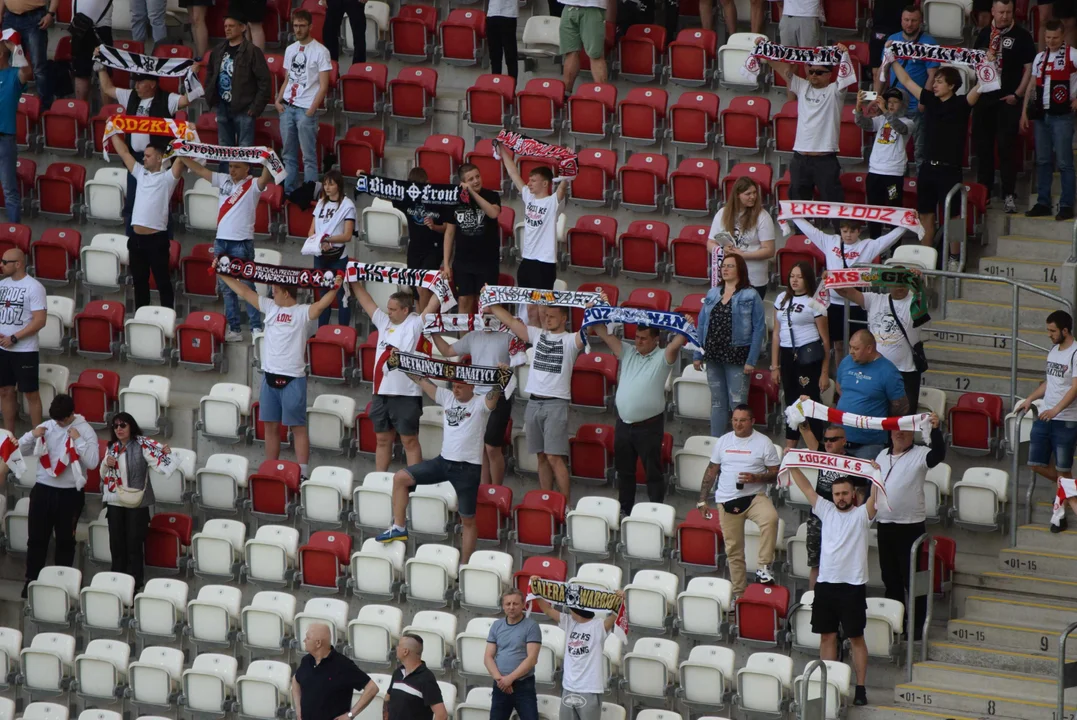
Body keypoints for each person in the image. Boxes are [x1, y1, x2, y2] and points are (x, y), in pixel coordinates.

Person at [218, 274, 343, 478]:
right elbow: (243, 291)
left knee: (297, 427)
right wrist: (223, 274)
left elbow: (320, 306)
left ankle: (303, 473)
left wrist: (335, 289)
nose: (271, 293)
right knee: (270, 425)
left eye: (275, 290)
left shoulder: (302, 312)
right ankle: (270, 469)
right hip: (269, 376)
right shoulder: (271, 307)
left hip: (293, 378)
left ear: (286, 292)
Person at [376, 374, 502, 561]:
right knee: (400, 478)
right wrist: (405, 365)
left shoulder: (480, 404)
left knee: (467, 520)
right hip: (443, 462)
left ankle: (464, 565)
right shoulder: (448, 397)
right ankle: (399, 527)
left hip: (467, 469)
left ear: (471, 387)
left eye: (460, 386)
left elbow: (493, 400)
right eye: (454, 386)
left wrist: (500, 382)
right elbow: (421, 381)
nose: (455, 390)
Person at [787, 468, 877, 707]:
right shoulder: (826, 509)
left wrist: (876, 474)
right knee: (827, 637)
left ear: (853, 495)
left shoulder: (861, 515)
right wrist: (791, 463)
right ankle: (827, 685)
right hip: (826, 585)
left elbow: (875, 498)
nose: (840, 498)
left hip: (853, 586)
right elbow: (806, 487)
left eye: (845, 493)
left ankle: (860, 688)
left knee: (856, 638)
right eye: (837, 494)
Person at [889, 61, 987, 269]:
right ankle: (926, 257)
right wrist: (892, 59)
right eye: (935, 81)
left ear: (952, 86)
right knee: (925, 213)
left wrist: (989, 65)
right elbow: (906, 80)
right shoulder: (930, 100)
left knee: (955, 217)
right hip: (927, 167)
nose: (934, 85)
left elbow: (981, 85)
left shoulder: (962, 103)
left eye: (940, 82)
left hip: (950, 170)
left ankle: (955, 258)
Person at [490, 302, 585, 500]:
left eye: (552, 316)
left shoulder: (570, 340)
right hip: (533, 402)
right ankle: (547, 500)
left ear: (564, 318)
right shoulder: (537, 334)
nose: (546, 319)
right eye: (545, 315)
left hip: (555, 404)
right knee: (541, 456)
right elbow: (510, 321)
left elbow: (588, 328)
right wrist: (491, 303)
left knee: (554, 457)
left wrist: (592, 307)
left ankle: (565, 505)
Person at [594, 318, 686, 517]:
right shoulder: (628, 352)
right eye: (636, 337)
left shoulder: (663, 356)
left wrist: (684, 324)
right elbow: (603, 333)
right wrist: (593, 311)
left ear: (656, 340)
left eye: (644, 338)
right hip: (624, 424)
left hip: (649, 426)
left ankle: (657, 512)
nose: (638, 341)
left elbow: (678, 341)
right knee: (624, 472)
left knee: (653, 472)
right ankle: (625, 511)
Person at [19, 394, 99, 598]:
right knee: (36, 539)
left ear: (72, 414)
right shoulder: (49, 425)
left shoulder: (85, 430)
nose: (59, 423)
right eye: (56, 419)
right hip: (43, 489)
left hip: (70, 494)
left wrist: (78, 440)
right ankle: (32, 581)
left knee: (65, 541)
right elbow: (19, 450)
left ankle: (61, 585)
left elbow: (92, 463)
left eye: (62, 419)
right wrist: (32, 435)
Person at [181, 157, 270, 341]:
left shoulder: (253, 184)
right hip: (221, 241)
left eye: (237, 167)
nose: (232, 170)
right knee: (227, 288)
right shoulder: (223, 179)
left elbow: (265, 178)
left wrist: (268, 160)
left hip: (242, 242)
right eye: (230, 166)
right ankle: (235, 329)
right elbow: (199, 170)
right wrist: (182, 155)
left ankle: (255, 328)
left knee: (247, 286)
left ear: (247, 168)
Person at [351, 285, 438, 472]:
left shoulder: (415, 324)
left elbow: (433, 304)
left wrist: (440, 285)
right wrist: (353, 281)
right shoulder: (384, 322)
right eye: (388, 309)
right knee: (382, 440)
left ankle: (415, 484)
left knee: (410, 441)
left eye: (392, 309)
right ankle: (379, 481)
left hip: (406, 394)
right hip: (381, 393)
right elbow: (365, 300)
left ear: (405, 310)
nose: (388, 312)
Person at [874, 414, 945, 640]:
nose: (900, 433)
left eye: (905, 430)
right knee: (890, 578)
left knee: (911, 579)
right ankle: (896, 623)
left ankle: (916, 627)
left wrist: (934, 430)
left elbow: (939, 455)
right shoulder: (881, 455)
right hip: (884, 525)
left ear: (912, 432)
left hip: (909, 527)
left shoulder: (921, 453)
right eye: (896, 429)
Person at [97, 67, 193, 235]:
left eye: (140, 82)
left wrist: (192, 75)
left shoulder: (167, 98)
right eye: (136, 82)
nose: (136, 85)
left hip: (160, 160)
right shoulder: (130, 96)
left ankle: (164, 243)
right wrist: (100, 67)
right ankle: (132, 242)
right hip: (135, 158)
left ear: (153, 84)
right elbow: (107, 89)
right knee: (132, 203)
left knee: (161, 206)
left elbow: (186, 100)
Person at [793, 217, 905, 359]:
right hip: (834, 303)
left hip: (856, 302)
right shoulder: (830, 241)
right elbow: (810, 231)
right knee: (838, 345)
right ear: (840, 230)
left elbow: (889, 239)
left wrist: (906, 225)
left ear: (859, 231)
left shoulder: (867, 246)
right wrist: (792, 215)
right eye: (845, 231)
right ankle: (840, 377)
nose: (848, 235)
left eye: (852, 231)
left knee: (858, 346)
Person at [698, 404, 781, 593]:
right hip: (726, 499)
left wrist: (757, 478)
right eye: (735, 420)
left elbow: (776, 475)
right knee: (733, 550)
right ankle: (739, 595)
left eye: (743, 420)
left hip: (754, 496)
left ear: (752, 421)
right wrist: (702, 499)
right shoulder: (724, 441)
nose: (738, 424)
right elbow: (712, 470)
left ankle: (763, 566)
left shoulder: (764, 442)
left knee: (771, 518)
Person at [760, 39, 855, 204]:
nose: (813, 75)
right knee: (797, 204)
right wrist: (763, 49)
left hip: (825, 159)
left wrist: (844, 54)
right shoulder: (802, 86)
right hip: (800, 158)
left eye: (819, 72)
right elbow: (781, 69)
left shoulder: (836, 90)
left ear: (829, 74)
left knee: (833, 203)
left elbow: (845, 74)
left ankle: (838, 231)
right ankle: (799, 231)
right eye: (811, 71)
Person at [973, 0, 1036, 214]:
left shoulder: (1023, 36)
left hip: (1008, 101)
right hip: (984, 100)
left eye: (1008, 12)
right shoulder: (983, 34)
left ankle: (1009, 194)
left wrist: (1018, 95)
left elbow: (1029, 69)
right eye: (1001, 12)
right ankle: (985, 193)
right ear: (992, 11)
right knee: (983, 149)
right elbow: (974, 65)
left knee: (1006, 148)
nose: (1005, 16)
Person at [692, 253, 766, 438]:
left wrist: (751, 359)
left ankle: (740, 444)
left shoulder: (751, 294)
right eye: (723, 266)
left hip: (737, 355)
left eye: (730, 266)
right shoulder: (712, 293)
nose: (725, 269)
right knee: (717, 402)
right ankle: (717, 444)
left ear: (740, 269)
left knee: (738, 403)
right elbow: (701, 324)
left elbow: (759, 329)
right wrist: (697, 353)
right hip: (713, 354)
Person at [429, 327, 514, 486]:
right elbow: (447, 350)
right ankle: (482, 488)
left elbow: (520, 358)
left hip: (499, 394)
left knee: (492, 447)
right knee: (480, 446)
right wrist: (433, 332)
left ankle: (496, 490)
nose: (487, 316)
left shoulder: (508, 336)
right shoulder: (473, 336)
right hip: (476, 396)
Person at [1016, 310, 1077, 531]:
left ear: (1065, 330)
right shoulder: (1053, 350)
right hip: (1046, 417)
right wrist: (1030, 399)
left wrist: (1056, 409)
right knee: (1035, 463)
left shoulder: (1076, 353)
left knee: (1063, 469)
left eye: (1052, 331)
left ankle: (1060, 515)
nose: (1049, 335)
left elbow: (1075, 388)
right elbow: (1048, 383)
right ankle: (1072, 493)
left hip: (1066, 419)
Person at [531, 580, 624, 720]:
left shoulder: (598, 626)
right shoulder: (568, 622)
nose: (567, 609)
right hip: (568, 687)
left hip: (590, 689)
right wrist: (536, 589)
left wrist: (622, 599)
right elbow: (548, 610)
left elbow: (616, 615)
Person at [111, 135, 184, 310]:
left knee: (162, 281)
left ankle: (168, 317)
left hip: (156, 239)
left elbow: (181, 158)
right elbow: (123, 152)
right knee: (139, 282)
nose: (144, 158)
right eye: (144, 155)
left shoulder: (168, 178)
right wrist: (112, 130)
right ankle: (141, 317)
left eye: (148, 155)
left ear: (159, 158)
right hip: (136, 239)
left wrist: (187, 135)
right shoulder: (140, 173)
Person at [101, 412, 171, 593]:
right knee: (116, 545)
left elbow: (161, 466)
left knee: (133, 545)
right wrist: (106, 465)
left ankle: (134, 585)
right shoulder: (112, 447)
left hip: (136, 504)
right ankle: (116, 584)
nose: (119, 429)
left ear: (131, 426)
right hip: (115, 502)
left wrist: (166, 454)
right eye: (115, 426)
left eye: (122, 425)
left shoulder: (143, 446)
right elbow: (103, 475)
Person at [836, 269, 925, 408]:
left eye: (903, 282)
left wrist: (919, 281)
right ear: (887, 283)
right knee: (877, 416)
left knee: (902, 422)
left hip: (904, 372)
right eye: (895, 282)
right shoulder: (875, 299)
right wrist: (831, 278)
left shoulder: (915, 302)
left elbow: (922, 298)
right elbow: (846, 292)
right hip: (875, 371)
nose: (900, 286)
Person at [770, 261, 831, 450]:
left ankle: (816, 447)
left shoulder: (815, 303)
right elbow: (776, 334)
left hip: (808, 355)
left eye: (800, 276)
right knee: (790, 400)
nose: (794, 280)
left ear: (808, 279)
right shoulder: (781, 298)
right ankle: (791, 447)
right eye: (792, 276)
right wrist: (774, 365)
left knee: (809, 399)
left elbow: (826, 341)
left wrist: (824, 372)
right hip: (787, 355)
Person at [1023, 19, 1077, 220]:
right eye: (1048, 38)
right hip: (1040, 114)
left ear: (1063, 36)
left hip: (1062, 115)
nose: (1051, 41)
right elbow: (1032, 85)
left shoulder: (1072, 55)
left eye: (1055, 38)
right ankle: (1043, 202)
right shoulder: (1039, 57)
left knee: (1064, 162)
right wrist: (1024, 112)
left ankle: (1066, 204)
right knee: (1043, 161)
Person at [874, 5, 939, 171]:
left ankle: (921, 189)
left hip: (917, 105)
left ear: (921, 22)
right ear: (901, 20)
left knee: (920, 152)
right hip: (894, 105)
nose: (909, 24)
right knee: (890, 147)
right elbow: (883, 71)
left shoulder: (929, 42)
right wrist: (876, 97)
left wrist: (923, 101)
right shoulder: (892, 40)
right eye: (906, 20)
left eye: (914, 20)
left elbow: (933, 75)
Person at [500, 144, 567, 300]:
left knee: (543, 308)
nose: (528, 183)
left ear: (545, 183)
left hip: (545, 263)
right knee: (529, 308)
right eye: (529, 180)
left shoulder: (553, 203)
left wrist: (567, 162)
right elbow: (513, 173)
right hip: (527, 260)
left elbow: (563, 187)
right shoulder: (528, 197)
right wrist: (503, 151)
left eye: (533, 181)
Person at [277, 10, 331, 195]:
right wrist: (278, 100)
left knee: (308, 156)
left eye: (301, 26)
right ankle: (289, 193)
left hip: (306, 109)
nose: (298, 29)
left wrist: (311, 110)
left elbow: (324, 86)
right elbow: (287, 78)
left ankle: (310, 195)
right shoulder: (290, 49)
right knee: (288, 155)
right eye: (295, 26)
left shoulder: (321, 51)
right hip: (287, 107)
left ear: (310, 27)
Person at [797, 418, 855, 588]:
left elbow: (859, 491)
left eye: (833, 439)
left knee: (840, 564)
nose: (828, 443)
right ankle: (813, 602)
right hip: (818, 517)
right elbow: (805, 431)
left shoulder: (854, 463)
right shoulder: (821, 453)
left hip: (841, 520)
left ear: (844, 441)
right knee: (815, 564)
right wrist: (800, 414)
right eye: (826, 439)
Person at [836, 330, 909, 459]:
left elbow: (900, 406)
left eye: (856, 348)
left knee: (863, 478)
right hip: (839, 438)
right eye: (850, 347)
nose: (851, 352)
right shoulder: (847, 362)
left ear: (869, 348)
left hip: (869, 443)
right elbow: (839, 386)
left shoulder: (888, 371)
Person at [206, 14, 272, 148]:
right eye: (225, 26)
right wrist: (213, 98)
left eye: (231, 26)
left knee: (245, 150)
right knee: (224, 149)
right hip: (222, 106)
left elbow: (265, 82)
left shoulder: (253, 52)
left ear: (242, 28)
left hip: (245, 108)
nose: (227, 29)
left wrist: (255, 107)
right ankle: (224, 170)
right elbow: (210, 74)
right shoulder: (218, 50)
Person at [443, 163, 502, 314]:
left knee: (486, 306)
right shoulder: (454, 200)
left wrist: (473, 194)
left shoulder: (491, 196)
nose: (476, 181)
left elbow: (493, 213)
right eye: (471, 179)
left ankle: (486, 337)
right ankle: (465, 338)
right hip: (463, 262)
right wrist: (446, 264)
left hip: (487, 262)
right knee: (464, 301)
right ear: (462, 182)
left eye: (477, 176)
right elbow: (449, 233)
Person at [387, 167, 447, 310]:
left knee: (423, 286)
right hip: (414, 248)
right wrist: (365, 178)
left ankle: (424, 322)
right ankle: (421, 324)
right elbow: (385, 192)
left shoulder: (438, 199)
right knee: (415, 290)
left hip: (434, 248)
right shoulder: (407, 199)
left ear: (428, 183)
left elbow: (448, 227)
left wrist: (434, 227)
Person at [855, 89, 913, 237]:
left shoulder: (909, 122)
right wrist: (858, 106)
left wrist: (885, 111)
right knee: (874, 212)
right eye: (889, 102)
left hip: (893, 175)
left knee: (894, 211)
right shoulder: (880, 120)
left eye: (895, 102)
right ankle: (875, 245)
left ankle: (894, 248)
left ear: (903, 104)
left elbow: (900, 128)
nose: (891, 105)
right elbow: (863, 123)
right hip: (874, 173)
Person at [706, 176, 776, 299]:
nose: (753, 197)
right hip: (728, 278)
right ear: (737, 195)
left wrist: (743, 255)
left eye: (754, 193)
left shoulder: (763, 216)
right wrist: (722, 251)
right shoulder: (722, 213)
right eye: (748, 194)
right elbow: (710, 243)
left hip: (753, 279)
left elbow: (769, 250)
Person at [292, 623, 380, 720]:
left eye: (307, 638)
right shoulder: (306, 660)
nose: (304, 641)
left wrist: (350, 715)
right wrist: (298, 709)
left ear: (318, 643)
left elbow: (372, 688)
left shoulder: (343, 665)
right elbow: (296, 680)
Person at [0, 248, 44, 432]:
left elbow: (40, 320)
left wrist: (15, 337)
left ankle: (38, 438)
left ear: (17, 264)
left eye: (4, 262)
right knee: (4, 391)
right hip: (3, 349)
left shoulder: (34, 287)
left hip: (25, 350)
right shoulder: (2, 285)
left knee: (30, 393)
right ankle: (8, 438)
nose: (1, 265)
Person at [308, 170, 356, 327]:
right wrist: (320, 242)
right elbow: (311, 232)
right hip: (320, 254)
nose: (327, 187)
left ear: (339, 185)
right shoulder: (321, 203)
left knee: (342, 295)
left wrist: (327, 239)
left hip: (338, 257)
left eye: (331, 184)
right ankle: (322, 331)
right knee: (323, 295)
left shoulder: (347, 205)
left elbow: (347, 235)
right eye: (325, 184)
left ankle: (343, 332)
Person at [486, 589, 542, 720]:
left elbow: (532, 659)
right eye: (508, 604)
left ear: (523, 605)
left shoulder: (532, 626)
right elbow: (488, 656)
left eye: (515, 604)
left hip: (523, 686)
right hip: (500, 685)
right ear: (503, 606)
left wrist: (509, 679)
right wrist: (500, 680)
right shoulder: (496, 625)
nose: (511, 607)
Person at [0, 0, 53, 113]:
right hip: (10, 17)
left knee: (38, 67)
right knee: (9, 64)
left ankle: (44, 110)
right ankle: (9, 104)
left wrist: (50, 14)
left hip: (34, 17)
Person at [0, 35, 30, 224]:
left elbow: (26, 71)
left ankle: (14, 236)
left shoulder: (13, 75)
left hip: (5, 139)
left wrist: (15, 48)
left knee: (9, 189)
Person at [384, 635, 448, 720]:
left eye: (399, 645)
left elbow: (441, 715)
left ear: (405, 651)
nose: (396, 648)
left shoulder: (426, 678)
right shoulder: (397, 673)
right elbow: (388, 698)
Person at [560, 0, 610, 90]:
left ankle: (603, 98)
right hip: (568, 5)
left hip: (593, 7)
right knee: (570, 53)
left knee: (596, 55)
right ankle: (565, 97)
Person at [72, 0, 113, 101]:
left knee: (104, 73)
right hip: (79, 26)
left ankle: (106, 114)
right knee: (81, 73)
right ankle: (80, 114)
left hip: (100, 28)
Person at [488, 0, 519, 80]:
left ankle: (511, 88)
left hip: (509, 14)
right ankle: (495, 85)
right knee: (495, 56)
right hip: (492, 13)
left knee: (510, 55)